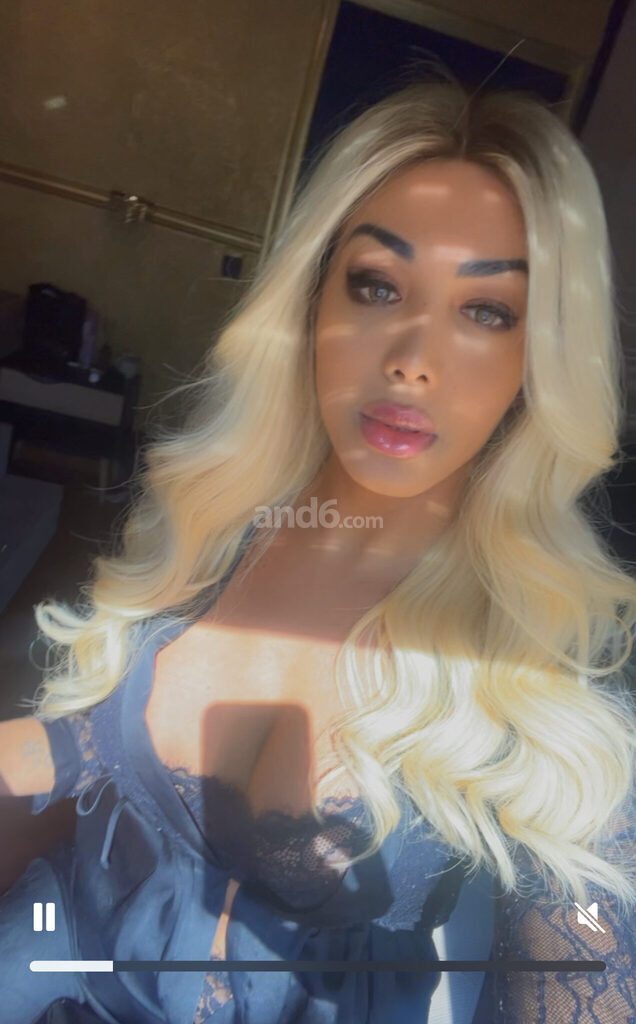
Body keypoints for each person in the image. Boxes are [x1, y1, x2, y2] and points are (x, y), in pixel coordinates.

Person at [0, 77, 635, 1024]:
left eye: (487, 311)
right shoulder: (220, 524)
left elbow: (587, 962)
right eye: (377, 286)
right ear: (310, 301)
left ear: (539, 358)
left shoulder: (546, 667)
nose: (412, 359)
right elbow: (92, 740)